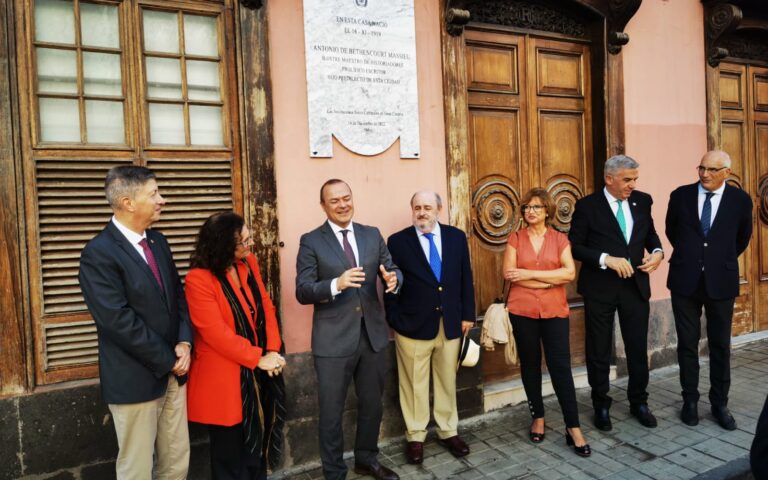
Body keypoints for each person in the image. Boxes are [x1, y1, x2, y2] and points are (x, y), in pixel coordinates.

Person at [78, 165, 192, 480]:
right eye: (154, 193)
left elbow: (178, 299)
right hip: (134, 380)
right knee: (137, 469)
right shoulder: (98, 254)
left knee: (176, 464)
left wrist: (185, 342)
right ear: (128, 202)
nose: (162, 200)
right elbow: (117, 321)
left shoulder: (158, 242)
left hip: (173, 375)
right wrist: (169, 359)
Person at [295, 179, 402, 480]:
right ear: (323, 206)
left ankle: (367, 459)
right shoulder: (311, 241)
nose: (343, 205)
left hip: (372, 336)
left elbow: (391, 267)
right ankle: (334, 472)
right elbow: (302, 290)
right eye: (334, 201)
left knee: (372, 404)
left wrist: (394, 279)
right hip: (332, 341)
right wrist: (335, 284)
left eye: (346, 198)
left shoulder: (371, 234)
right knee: (331, 412)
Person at [185, 212, 287, 479]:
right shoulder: (199, 279)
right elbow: (215, 333)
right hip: (224, 380)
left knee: (257, 452)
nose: (250, 244)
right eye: (244, 241)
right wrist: (258, 358)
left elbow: (266, 304)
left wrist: (273, 349)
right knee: (230, 459)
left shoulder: (247, 263)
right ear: (223, 245)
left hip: (257, 371)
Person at [569, 155, 664, 431]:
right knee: (598, 349)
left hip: (635, 287)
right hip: (599, 287)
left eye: (635, 178)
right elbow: (575, 246)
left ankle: (639, 402)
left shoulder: (643, 200)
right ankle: (601, 404)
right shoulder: (587, 206)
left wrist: (658, 253)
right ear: (608, 178)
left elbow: (650, 235)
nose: (633, 184)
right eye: (627, 179)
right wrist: (604, 258)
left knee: (637, 347)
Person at [384, 191, 475, 465]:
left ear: (439, 209)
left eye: (427, 207)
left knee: (447, 379)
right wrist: (395, 320)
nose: (422, 212)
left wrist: (468, 315)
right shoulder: (398, 241)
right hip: (411, 326)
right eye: (417, 207)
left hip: (450, 324)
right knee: (413, 383)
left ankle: (449, 431)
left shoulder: (456, 237)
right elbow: (390, 282)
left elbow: (465, 277)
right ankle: (416, 436)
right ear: (411, 209)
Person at [666, 150, 753, 430]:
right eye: (701, 167)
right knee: (687, 345)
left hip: (721, 281)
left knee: (720, 346)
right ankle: (690, 401)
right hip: (684, 281)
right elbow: (672, 231)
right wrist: (692, 257)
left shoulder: (740, 201)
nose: (704, 174)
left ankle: (720, 404)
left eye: (712, 170)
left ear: (727, 172)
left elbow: (742, 238)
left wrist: (716, 260)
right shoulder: (680, 195)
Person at [502, 188, 590, 457]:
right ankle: (537, 417)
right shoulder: (515, 238)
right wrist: (550, 278)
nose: (530, 211)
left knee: (560, 368)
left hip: (554, 312)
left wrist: (529, 274)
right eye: (527, 207)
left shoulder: (560, 239)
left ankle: (572, 426)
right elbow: (509, 274)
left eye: (537, 207)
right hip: (523, 311)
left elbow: (569, 274)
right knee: (530, 365)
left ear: (548, 211)